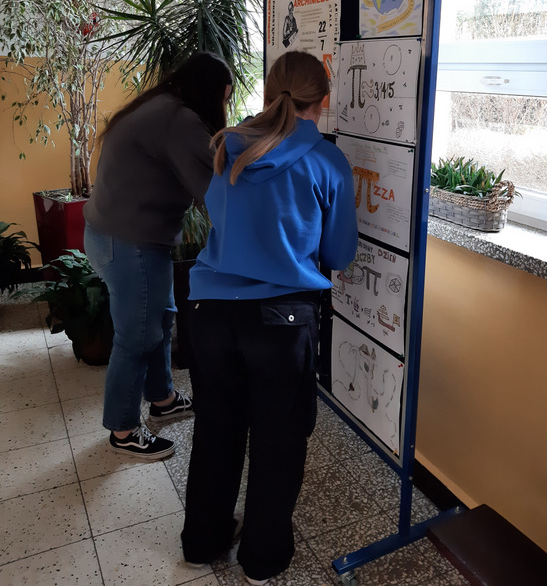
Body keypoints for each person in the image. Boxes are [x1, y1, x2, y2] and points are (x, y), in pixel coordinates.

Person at [181, 50, 358, 585]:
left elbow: (222, 222)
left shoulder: (226, 146)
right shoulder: (327, 162)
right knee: (278, 440)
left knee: (217, 429)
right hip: (281, 322)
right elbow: (340, 253)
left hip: (210, 312)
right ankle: (262, 559)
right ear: (323, 101)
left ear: (268, 91)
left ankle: (202, 542)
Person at [84, 52, 233, 460]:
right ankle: (123, 430)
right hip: (129, 243)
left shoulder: (160, 104)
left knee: (161, 318)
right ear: (209, 92)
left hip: (118, 236)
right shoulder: (178, 120)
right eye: (224, 98)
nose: (224, 108)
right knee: (136, 337)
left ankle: (162, 399)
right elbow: (216, 189)